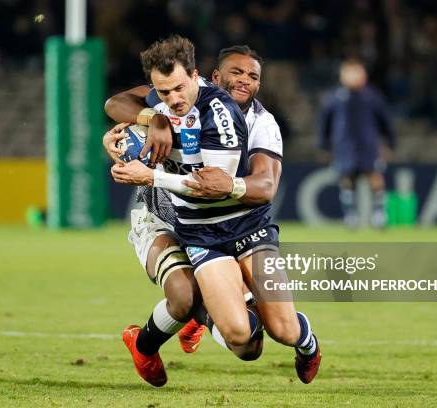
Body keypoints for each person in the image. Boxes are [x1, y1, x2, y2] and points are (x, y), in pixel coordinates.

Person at [105, 35, 320, 387]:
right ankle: (154, 339)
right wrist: (149, 123)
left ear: (195, 78)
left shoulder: (253, 123)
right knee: (196, 305)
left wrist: (151, 172)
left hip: (236, 223)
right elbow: (117, 104)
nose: (244, 81)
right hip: (178, 220)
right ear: (212, 77)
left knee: (278, 333)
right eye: (236, 72)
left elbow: (243, 188)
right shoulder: (173, 97)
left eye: (253, 77)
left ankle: (300, 339)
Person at [318, 58, 395, 228]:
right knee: (347, 178)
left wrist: (390, 141)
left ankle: (379, 213)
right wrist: (323, 143)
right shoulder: (334, 98)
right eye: (349, 72)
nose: (353, 76)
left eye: (357, 72)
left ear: (364, 75)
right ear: (342, 75)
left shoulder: (372, 97)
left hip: (368, 145)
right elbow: (325, 122)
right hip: (344, 145)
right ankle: (351, 214)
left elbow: (385, 121)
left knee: (374, 176)